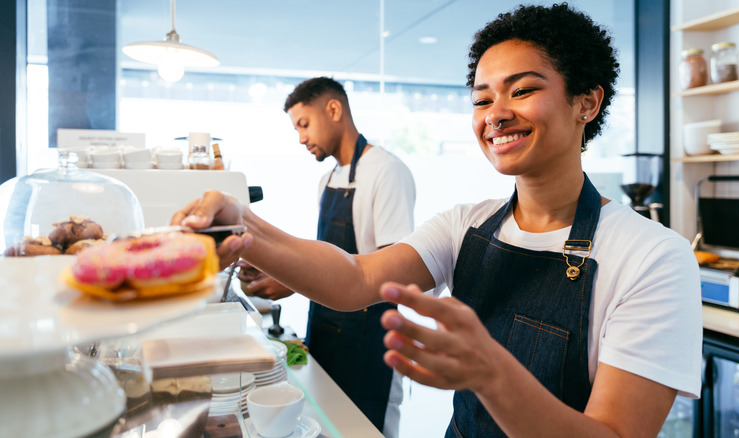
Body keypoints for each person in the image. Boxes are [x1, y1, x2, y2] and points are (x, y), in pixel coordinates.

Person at [173, 4, 702, 437]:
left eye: (522, 90)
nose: (495, 112)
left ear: (586, 102)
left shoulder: (652, 257)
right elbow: (355, 279)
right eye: (482, 97)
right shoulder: (465, 226)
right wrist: (242, 225)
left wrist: (492, 375)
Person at [235, 76, 416, 437]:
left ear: (334, 109)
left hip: (369, 346)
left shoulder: (386, 171)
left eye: (304, 124)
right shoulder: (327, 180)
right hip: (326, 334)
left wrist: (293, 283)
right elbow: (327, 261)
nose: (301, 138)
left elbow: (393, 276)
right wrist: (282, 272)